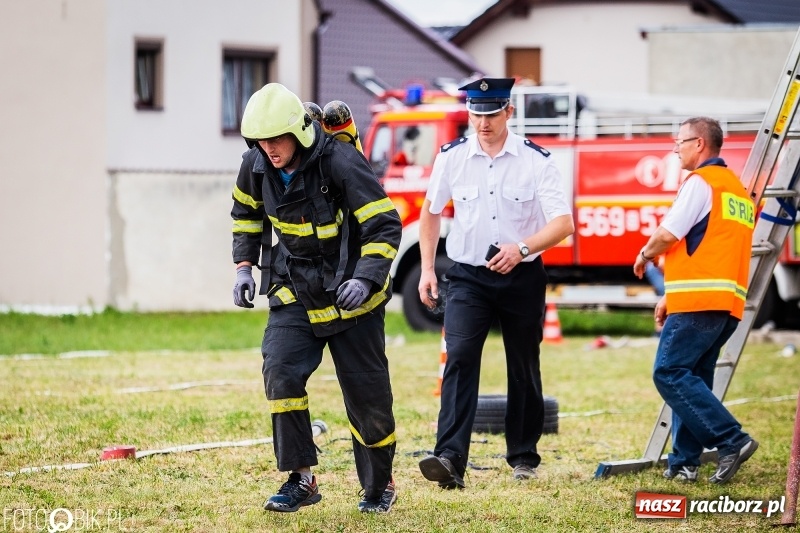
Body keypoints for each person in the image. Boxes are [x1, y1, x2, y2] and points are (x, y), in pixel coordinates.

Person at [230, 83, 402, 512]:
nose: (269, 149)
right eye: (261, 140)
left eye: (276, 139)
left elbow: (384, 225)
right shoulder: (255, 166)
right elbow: (246, 215)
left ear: (299, 131)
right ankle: (301, 479)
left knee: (367, 398)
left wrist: (366, 279)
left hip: (352, 296)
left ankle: (379, 486)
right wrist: (243, 268)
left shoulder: (340, 161)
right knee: (281, 370)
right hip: (296, 289)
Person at [416, 77, 574, 487]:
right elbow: (430, 212)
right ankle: (449, 459)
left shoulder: (536, 160)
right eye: (476, 115)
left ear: (509, 112)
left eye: (491, 114)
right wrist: (428, 268)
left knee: (523, 363)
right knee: (460, 356)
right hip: (468, 277)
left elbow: (563, 224)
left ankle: (523, 456)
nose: (483, 123)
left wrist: (521, 248)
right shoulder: (452, 157)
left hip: (522, 276)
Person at [633, 116, 757, 484]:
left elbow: (668, 234)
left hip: (699, 302)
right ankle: (684, 463)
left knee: (668, 372)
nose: (676, 149)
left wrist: (645, 254)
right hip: (726, 304)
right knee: (693, 377)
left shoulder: (701, 183)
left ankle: (732, 439)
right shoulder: (736, 190)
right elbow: (710, 251)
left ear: (700, 144)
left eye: (680, 142)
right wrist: (670, 295)